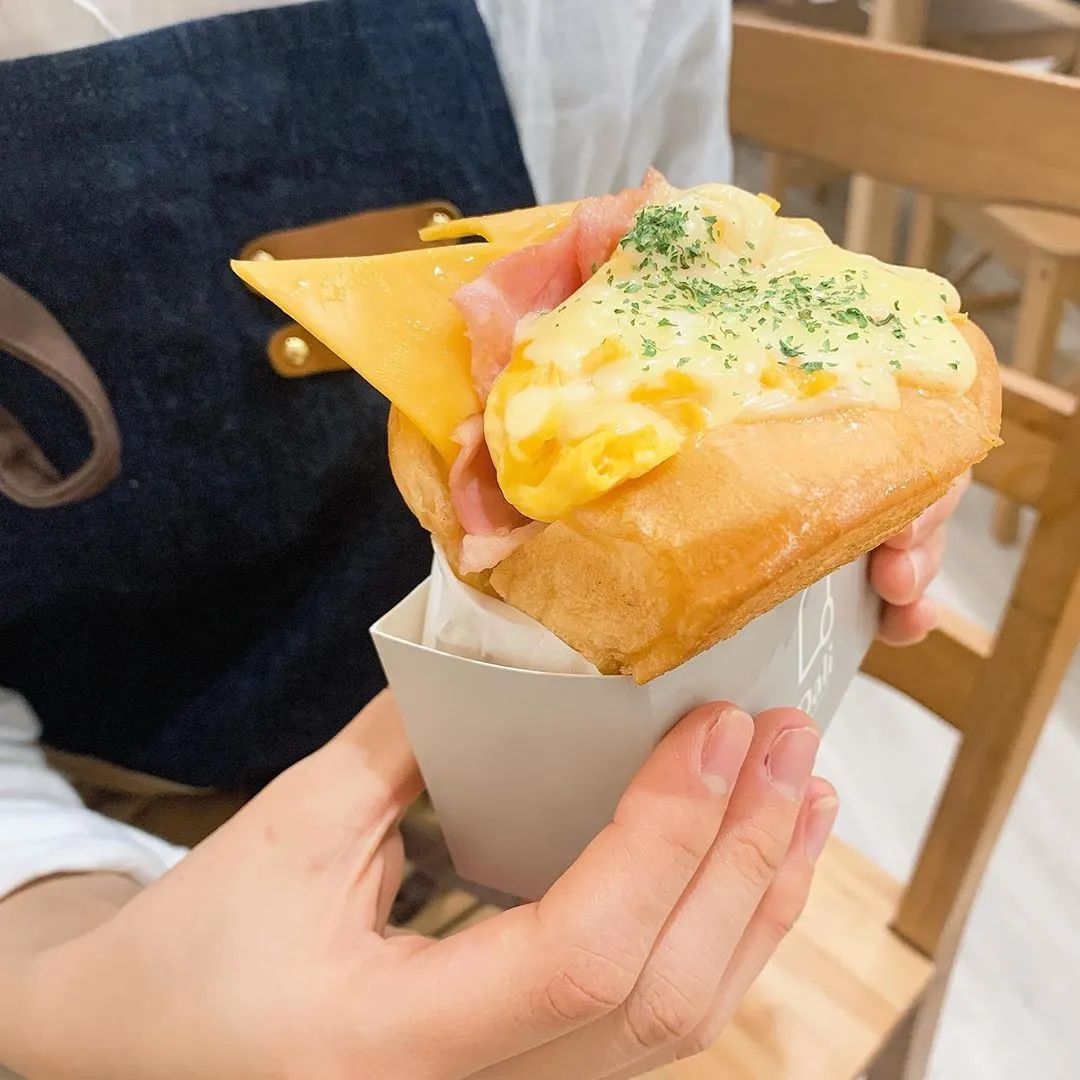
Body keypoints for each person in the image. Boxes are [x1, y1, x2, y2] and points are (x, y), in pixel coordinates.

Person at [0, 2, 962, 1076]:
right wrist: (56, 985)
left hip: (607, 784)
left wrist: (843, 495)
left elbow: (689, 228)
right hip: (100, 821)